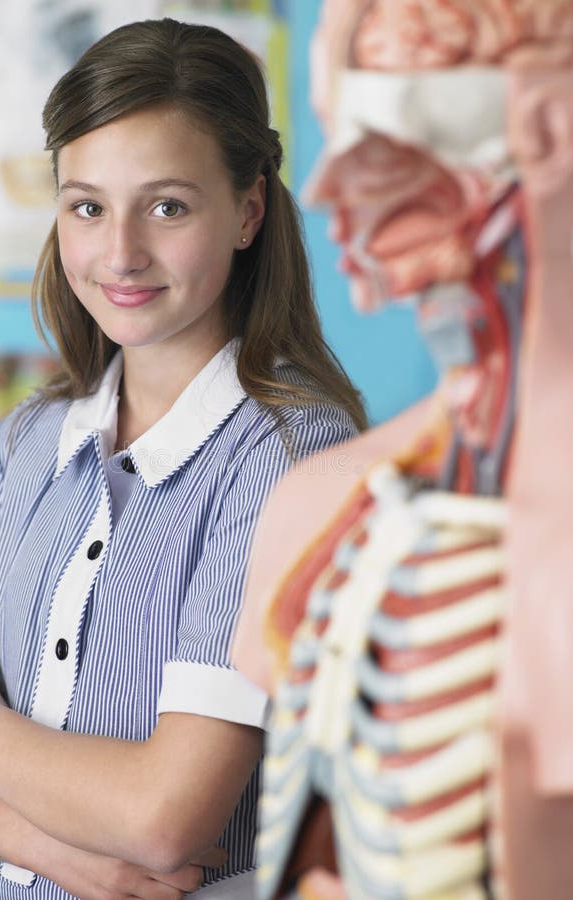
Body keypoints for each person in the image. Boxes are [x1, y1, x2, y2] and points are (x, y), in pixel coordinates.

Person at [0, 17, 366, 900]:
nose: (120, 254)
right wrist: (68, 859)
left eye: (167, 206)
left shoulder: (292, 457)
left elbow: (165, 817)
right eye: (87, 206)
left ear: (249, 212)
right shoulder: (26, 444)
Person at [231, 1, 573, 898]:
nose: (338, 192)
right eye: (338, 138)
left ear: (552, 129)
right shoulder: (316, 506)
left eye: (397, 134)